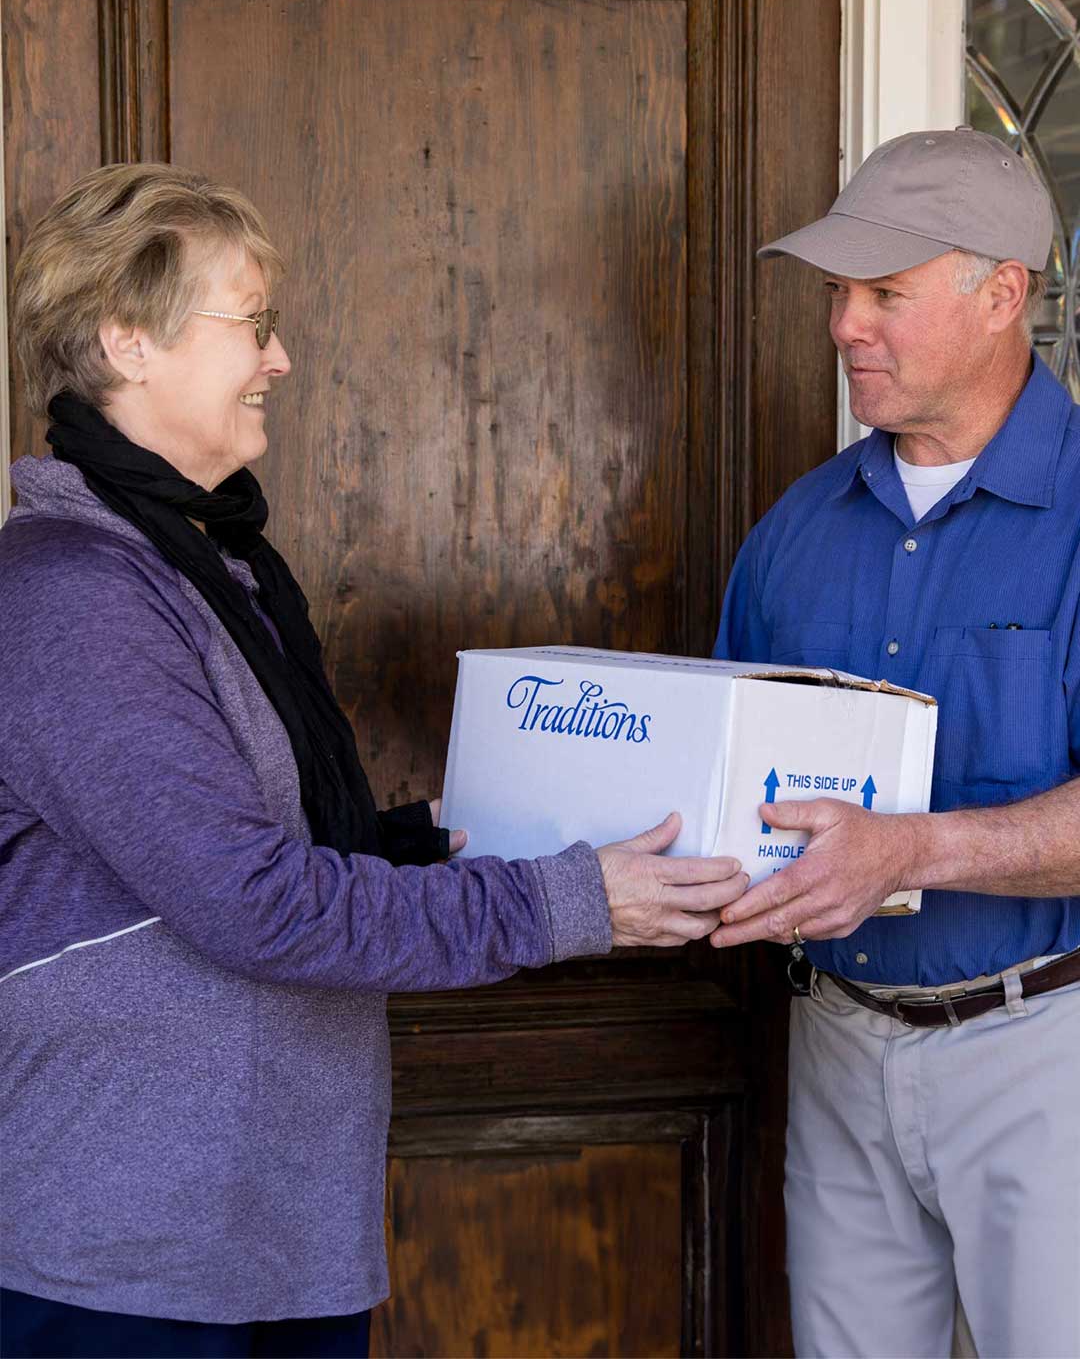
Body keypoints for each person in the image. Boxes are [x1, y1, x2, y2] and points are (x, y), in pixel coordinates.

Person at [0, 163, 749, 1359]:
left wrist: (442, 830)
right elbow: (248, 904)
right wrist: (571, 899)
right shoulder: (75, 595)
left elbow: (250, 850)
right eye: (253, 325)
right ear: (127, 342)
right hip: (131, 1242)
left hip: (260, 1218)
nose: (281, 358)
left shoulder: (205, 564)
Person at [710, 126, 1080, 1359]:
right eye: (838, 293)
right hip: (839, 1039)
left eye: (885, 293)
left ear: (1002, 294)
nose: (843, 327)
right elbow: (718, 781)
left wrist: (906, 849)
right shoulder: (794, 531)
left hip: (1050, 1051)